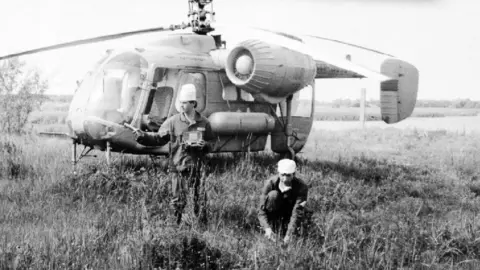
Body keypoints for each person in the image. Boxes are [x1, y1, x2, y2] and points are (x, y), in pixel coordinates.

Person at [133, 83, 215, 223]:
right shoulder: (172, 122)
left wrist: (205, 145)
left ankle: (202, 227)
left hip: (197, 168)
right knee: (178, 200)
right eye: (181, 102)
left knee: (200, 199)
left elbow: (213, 143)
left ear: (193, 103)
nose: (182, 105)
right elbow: (159, 139)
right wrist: (143, 136)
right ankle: (176, 225)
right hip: (178, 167)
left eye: (185, 103)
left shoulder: (204, 123)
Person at [258, 159, 308, 244]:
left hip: (290, 213)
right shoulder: (270, 184)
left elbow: (297, 212)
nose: (285, 179)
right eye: (282, 175)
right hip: (275, 213)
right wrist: (267, 228)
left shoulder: (301, 187)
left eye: (288, 175)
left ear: (294, 174)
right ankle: (273, 228)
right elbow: (261, 211)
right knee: (273, 195)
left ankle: (286, 229)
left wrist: (289, 235)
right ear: (278, 173)